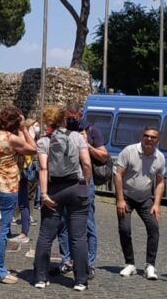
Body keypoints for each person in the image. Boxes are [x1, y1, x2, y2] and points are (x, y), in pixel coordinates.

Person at [32, 105, 92, 291]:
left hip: (54, 189)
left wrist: (43, 194)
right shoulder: (77, 137)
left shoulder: (43, 141)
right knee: (79, 236)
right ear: (64, 120)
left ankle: (41, 278)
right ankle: (81, 280)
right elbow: (87, 163)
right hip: (76, 187)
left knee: (45, 235)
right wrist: (86, 183)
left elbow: (43, 169)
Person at [0, 106, 36, 284]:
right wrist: (24, 129)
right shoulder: (11, 139)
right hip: (7, 188)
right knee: (1, 231)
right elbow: (33, 149)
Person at [56, 101, 108, 277]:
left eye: (73, 117)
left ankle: (89, 263)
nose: (71, 121)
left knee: (88, 223)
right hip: (64, 179)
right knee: (63, 222)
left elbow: (103, 156)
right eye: (67, 118)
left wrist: (87, 145)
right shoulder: (61, 130)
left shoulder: (92, 130)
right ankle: (67, 259)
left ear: (80, 115)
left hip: (85, 180)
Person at [115, 125, 165, 281]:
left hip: (145, 198)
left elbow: (160, 182)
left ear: (157, 140)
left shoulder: (160, 157)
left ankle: (150, 265)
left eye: (153, 137)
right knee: (124, 229)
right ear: (142, 136)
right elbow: (118, 175)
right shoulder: (129, 151)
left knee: (154, 228)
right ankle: (129, 263)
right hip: (127, 196)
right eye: (146, 136)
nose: (149, 139)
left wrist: (156, 204)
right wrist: (120, 199)